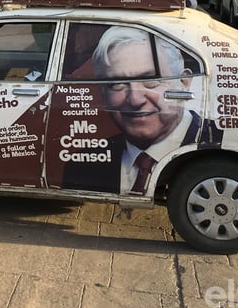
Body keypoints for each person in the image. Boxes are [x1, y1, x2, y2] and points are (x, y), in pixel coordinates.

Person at [63, 26, 221, 194]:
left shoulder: (219, 142)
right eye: (117, 84)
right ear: (103, 92)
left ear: (184, 82)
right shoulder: (79, 166)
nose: (135, 99)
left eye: (151, 80)